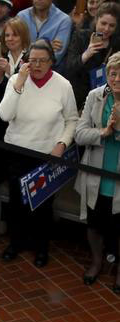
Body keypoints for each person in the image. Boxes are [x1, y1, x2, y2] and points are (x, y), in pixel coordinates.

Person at [0, 39, 77, 266]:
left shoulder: (63, 85)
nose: (38, 65)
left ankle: (41, 248)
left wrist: (62, 143)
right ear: (26, 61)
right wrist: (19, 83)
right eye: (33, 61)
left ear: (52, 61)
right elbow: (4, 115)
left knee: (43, 206)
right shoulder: (16, 80)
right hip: (17, 149)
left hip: (46, 154)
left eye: (43, 61)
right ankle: (15, 243)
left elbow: (71, 120)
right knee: (16, 201)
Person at [74, 50, 120, 293]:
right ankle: (96, 261)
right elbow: (79, 134)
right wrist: (102, 133)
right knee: (94, 222)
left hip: (118, 176)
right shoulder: (95, 95)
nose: (116, 79)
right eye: (113, 74)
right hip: (96, 173)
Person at [63, 1, 120, 108]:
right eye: (103, 23)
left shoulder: (116, 43)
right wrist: (86, 54)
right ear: (96, 20)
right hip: (80, 95)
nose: (106, 29)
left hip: (106, 97)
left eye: (111, 25)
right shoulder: (81, 36)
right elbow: (70, 68)